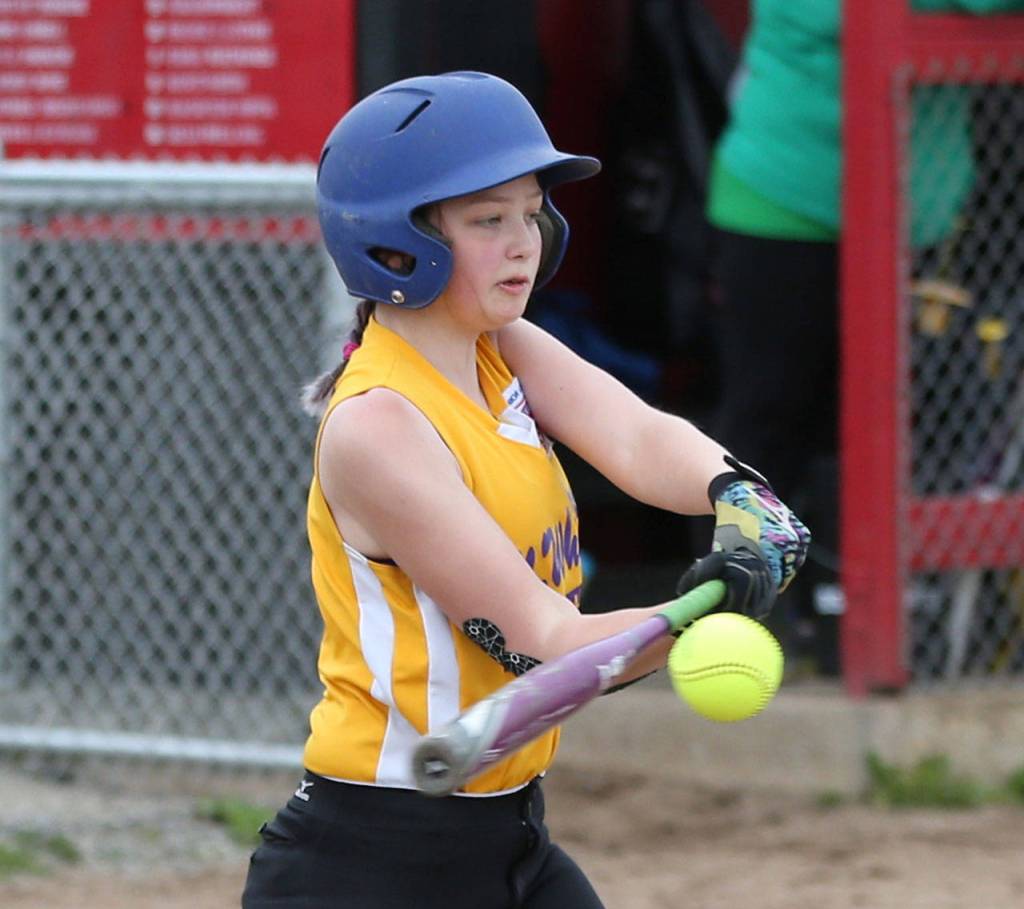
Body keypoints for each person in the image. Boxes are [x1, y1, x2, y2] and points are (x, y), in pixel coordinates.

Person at [241, 71, 810, 909]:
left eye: (529, 213)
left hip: (507, 836)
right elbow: (542, 640)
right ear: (398, 246)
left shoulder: (503, 347)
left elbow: (638, 436)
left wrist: (735, 492)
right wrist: (697, 616)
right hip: (369, 862)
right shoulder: (378, 429)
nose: (524, 241)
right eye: (487, 220)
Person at [705, 0, 1022, 672]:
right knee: (770, 421)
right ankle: (738, 618)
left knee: (903, 430)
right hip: (784, 204)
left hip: (919, 217)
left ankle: (867, 622)